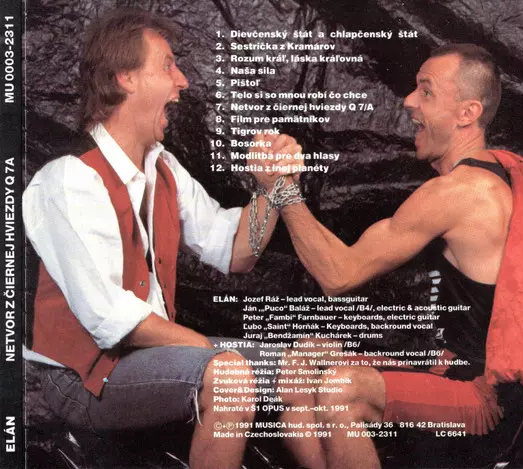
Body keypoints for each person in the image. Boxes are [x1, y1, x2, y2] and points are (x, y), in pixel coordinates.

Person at [23, 8, 310, 469]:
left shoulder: (165, 168)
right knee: (230, 377)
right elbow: (110, 319)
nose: (183, 82)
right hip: (83, 376)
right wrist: (211, 351)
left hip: (149, 356)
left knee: (303, 370)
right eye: (168, 66)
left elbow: (237, 252)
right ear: (126, 78)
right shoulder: (68, 180)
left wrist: (272, 189)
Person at [269, 44, 523, 468]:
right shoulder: (491, 175)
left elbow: (338, 276)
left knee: (342, 389)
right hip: (453, 370)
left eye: (426, 91)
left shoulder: (463, 192)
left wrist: (281, 189)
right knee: (300, 364)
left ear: (467, 113)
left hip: (490, 403)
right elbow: (347, 260)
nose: (409, 101)